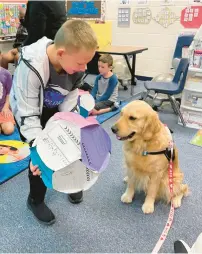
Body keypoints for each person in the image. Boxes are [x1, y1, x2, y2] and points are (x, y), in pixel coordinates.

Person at [10, 20, 98, 225]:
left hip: (55, 107)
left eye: (87, 63)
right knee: (40, 160)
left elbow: (70, 102)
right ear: (60, 54)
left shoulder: (75, 65)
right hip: (30, 113)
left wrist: (73, 129)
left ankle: (71, 183)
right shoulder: (30, 66)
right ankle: (35, 199)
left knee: (70, 143)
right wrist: (37, 151)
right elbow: (28, 115)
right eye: (80, 63)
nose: (84, 68)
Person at [0, 53, 15, 135]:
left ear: (1, 56)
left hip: (3, 107)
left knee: (9, 130)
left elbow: (9, 93)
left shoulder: (6, 74)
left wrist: (6, 107)